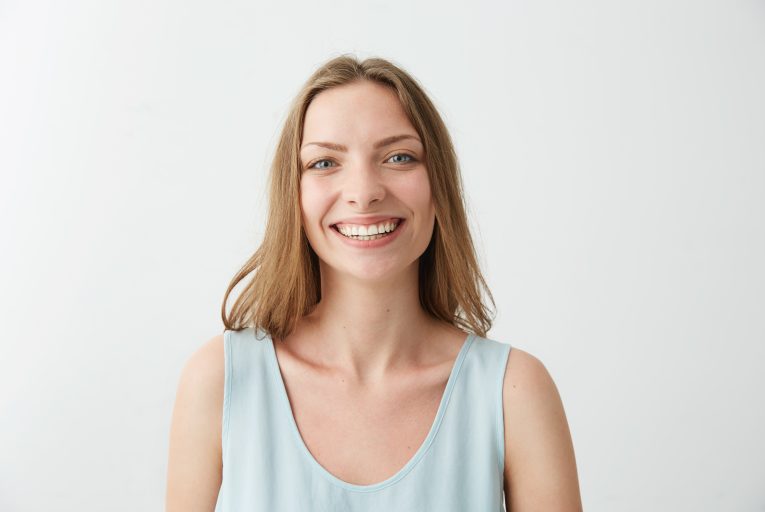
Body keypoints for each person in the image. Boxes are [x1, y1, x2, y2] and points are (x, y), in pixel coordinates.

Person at [165, 54, 582, 511]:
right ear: (293, 193)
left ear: (439, 184)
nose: (364, 193)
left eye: (399, 157)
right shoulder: (220, 381)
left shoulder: (513, 392)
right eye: (325, 162)